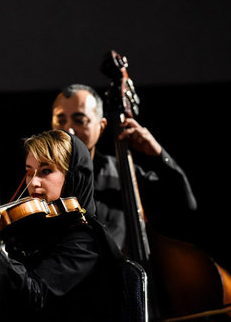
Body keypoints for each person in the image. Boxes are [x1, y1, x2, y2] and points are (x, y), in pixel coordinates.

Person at [0, 130, 124, 322]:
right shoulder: (37, 226)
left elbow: (34, 297)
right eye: (29, 171)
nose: (33, 182)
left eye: (45, 171)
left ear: (74, 176)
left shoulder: (86, 241)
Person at [51, 83, 197, 249]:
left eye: (80, 121)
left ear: (101, 126)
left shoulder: (124, 173)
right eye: (60, 120)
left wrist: (158, 154)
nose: (68, 130)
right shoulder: (36, 176)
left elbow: (185, 205)